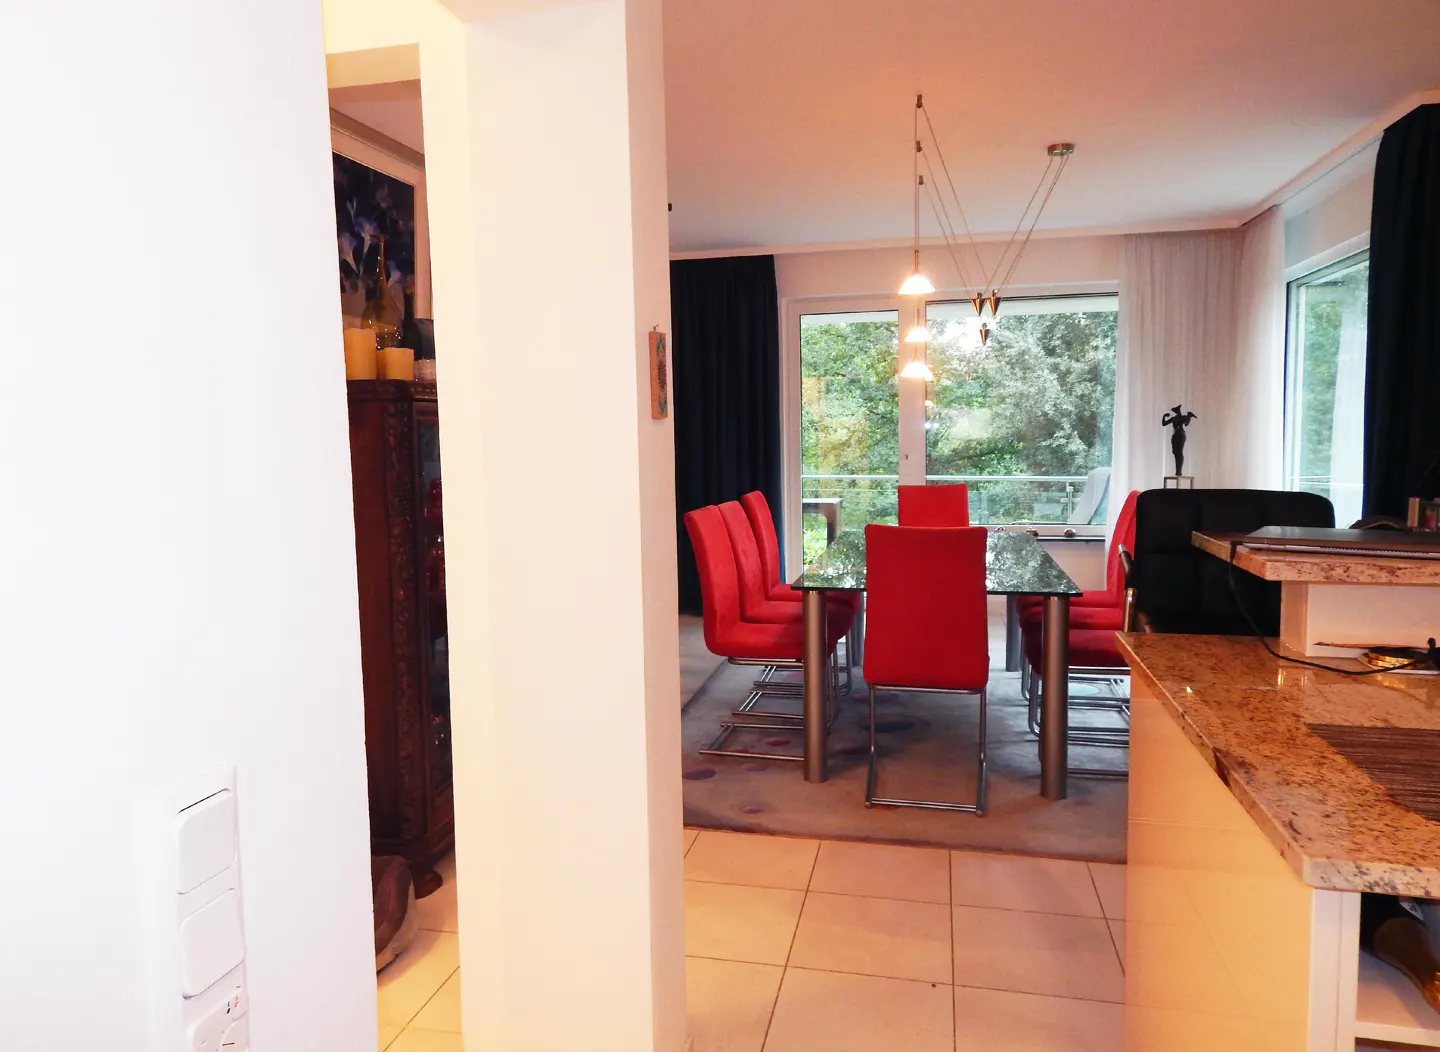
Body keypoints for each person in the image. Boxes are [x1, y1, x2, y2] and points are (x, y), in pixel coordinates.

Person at [1161, 405, 1197, 476]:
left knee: (1179, 452)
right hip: (1176, 435)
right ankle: (1178, 470)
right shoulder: (1174, 418)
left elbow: (1186, 424)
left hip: (1180, 435)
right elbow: (1164, 424)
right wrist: (1164, 416)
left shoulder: (1182, 418)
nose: (1177, 412)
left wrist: (1189, 416)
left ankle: (1179, 471)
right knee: (1175, 452)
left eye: (1177, 410)